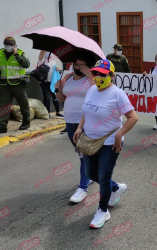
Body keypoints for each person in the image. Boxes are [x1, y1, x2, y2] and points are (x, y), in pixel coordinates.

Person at [73, 59, 138, 228]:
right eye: (95, 73)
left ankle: (102, 211)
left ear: (111, 75)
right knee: (91, 174)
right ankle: (116, 187)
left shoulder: (117, 94)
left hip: (109, 142)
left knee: (103, 177)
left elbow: (133, 117)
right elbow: (86, 111)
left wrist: (120, 135)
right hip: (90, 140)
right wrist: (80, 128)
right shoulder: (92, 89)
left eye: (102, 74)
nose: (98, 77)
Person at [55, 51, 95, 203]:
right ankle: (91, 174)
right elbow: (61, 99)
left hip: (86, 121)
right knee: (81, 153)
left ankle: (82, 188)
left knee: (84, 154)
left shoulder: (93, 79)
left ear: (89, 66)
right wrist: (58, 89)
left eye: (82, 65)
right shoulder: (67, 77)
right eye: (76, 65)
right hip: (69, 120)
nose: (78, 68)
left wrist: (90, 76)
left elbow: (100, 91)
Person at [0, 37, 30, 134]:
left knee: (23, 104)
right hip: (4, 84)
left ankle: (26, 122)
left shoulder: (20, 52)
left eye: (10, 44)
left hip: (18, 83)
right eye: (7, 44)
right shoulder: (0, 53)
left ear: (15, 45)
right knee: (3, 106)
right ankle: (2, 126)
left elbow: (26, 64)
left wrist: (17, 55)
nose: (8, 46)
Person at [37, 51, 63, 118]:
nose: (48, 53)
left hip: (53, 82)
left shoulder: (52, 61)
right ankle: (47, 113)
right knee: (47, 97)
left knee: (55, 97)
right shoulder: (41, 60)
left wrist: (58, 69)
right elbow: (41, 55)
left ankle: (58, 112)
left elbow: (55, 67)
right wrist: (43, 50)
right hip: (45, 82)